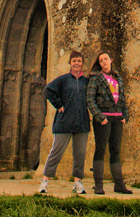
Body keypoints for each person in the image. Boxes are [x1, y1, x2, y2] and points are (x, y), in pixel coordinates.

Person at [38, 50, 90, 195]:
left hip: (81, 122)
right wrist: (58, 104)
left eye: (79, 61)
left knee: (79, 155)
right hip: (64, 121)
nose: (76, 63)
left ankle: (77, 182)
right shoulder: (63, 79)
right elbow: (48, 90)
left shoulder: (86, 82)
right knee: (56, 152)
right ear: (70, 63)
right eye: (74, 61)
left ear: (82, 63)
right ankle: (45, 181)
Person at [86, 51, 132, 194]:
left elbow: (122, 98)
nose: (104, 62)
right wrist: (100, 117)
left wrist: (125, 115)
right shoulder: (95, 79)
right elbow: (90, 100)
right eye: (101, 60)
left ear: (111, 60)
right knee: (100, 150)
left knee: (115, 151)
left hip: (117, 119)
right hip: (104, 119)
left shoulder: (117, 77)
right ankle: (99, 185)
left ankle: (119, 184)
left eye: (106, 59)